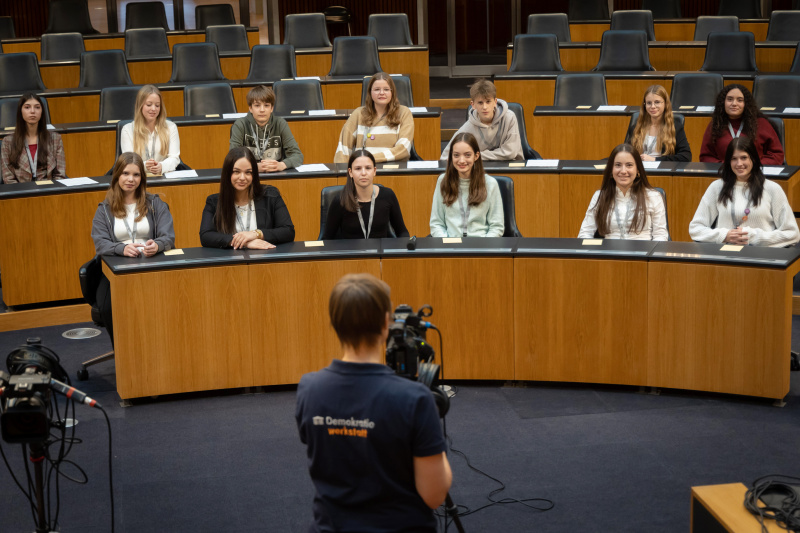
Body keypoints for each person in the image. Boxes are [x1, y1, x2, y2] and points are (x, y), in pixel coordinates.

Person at [295, 273, 452, 532]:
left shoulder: (309, 388)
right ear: (384, 325)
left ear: (335, 324)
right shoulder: (415, 400)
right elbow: (434, 496)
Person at [90, 152, 176, 342]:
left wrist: (158, 245)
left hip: (151, 265)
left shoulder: (155, 203)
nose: (131, 179)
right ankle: (122, 352)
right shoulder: (104, 209)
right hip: (116, 270)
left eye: (136, 174)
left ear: (142, 178)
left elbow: (168, 237)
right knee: (107, 307)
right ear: (117, 176)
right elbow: (100, 242)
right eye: (125, 173)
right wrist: (121, 249)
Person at [689, 136, 799, 247]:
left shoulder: (772, 189)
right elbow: (695, 229)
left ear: (753, 159)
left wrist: (754, 237)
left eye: (744, 158)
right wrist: (723, 235)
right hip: (725, 255)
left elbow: (792, 234)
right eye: (734, 159)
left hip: (761, 257)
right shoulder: (717, 187)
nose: (739, 164)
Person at [200, 147, 295, 249]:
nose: (242, 178)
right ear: (227, 174)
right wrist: (244, 243)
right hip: (231, 261)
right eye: (236, 171)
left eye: (248, 172)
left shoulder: (271, 196)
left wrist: (256, 234)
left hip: (264, 259)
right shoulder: (214, 202)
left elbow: (288, 231)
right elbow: (206, 236)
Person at [578, 144, 669, 240]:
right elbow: (584, 234)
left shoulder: (654, 196)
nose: (623, 171)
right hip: (609, 253)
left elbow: (661, 236)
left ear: (638, 169)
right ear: (611, 170)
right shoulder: (599, 196)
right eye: (618, 165)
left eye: (629, 165)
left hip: (643, 253)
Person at [322, 149, 409, 240]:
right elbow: (327, 238)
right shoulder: (340, 200)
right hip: (351, 253)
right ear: (350, 172)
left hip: (380, 253)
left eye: (368, 168)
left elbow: (402, 232)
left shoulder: (388, 195)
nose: (363, 173)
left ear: (374, 171)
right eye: (358, 168)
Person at [430, 132, 504, 238]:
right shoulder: (443, 180)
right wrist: (447, 245)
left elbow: (496, 227)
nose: (461, 160)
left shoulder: (490, 184)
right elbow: (437, 224)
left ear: (476, 156)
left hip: (481, 247)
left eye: (467, 155)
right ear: (451, 156)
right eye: (456, 155)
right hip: (451, 247)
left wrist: (483, 249)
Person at [334, 72, 414, 163]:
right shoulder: (358, 114)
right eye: (377, 89)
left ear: (392, 92)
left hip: (393, 170)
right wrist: (343, 173)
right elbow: (342, 149)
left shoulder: (403, 113)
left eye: (386, 89)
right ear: (370, 92)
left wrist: (368, 159)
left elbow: (403, 149)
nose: (381, 93)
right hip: (363, 170)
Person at [699, 84, 784, 165]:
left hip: (756, 175)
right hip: (724, 175)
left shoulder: (761, 124)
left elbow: (776, 155)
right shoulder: (715, 125)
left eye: (740, 100)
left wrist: (754, 166)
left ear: (746, 104)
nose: (734, 104)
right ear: (723, 102)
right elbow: (706, 156)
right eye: (729, 99)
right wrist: (726, 167)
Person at [440, 78, 523, 161]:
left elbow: (510, 152)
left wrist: (475, 156)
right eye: (480, 103)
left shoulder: (509, 117)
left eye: (488, 101)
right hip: (481, 169)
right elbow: (445, 157)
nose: (484, 107)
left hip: (511, 166)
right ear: (473, 105)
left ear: (495, 102)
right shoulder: (467, 128)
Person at [229, 85, 303, 173]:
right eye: (257, 105)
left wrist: (282, 165)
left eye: (266, 105)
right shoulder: (240, 125)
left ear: (271, 108)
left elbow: (297, 155)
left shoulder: (280, 123)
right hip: (249, 175)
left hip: (276, 176)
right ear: (250, 108)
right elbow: (233, 158)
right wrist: (253, 167)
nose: (262, 110)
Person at [1, 93, 65, 183]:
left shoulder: (55, 139)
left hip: (48, 191)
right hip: (20, 192)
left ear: (42, 111)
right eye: (27, 107)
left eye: (37, 107)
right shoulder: (7, 142)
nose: (32, 111)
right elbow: (8, 178)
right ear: (20, 111)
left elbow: (60, 175)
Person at [120, 85, 180, 176]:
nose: (153, 109)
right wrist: (144, 166)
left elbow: (174, 158)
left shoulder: (171, 127)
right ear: (140, 106)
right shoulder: (127, 130)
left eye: (157, 105)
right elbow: (128, 161)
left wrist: (161, 166)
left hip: (163, 176)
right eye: (149, 105)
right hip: (138, 178)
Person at [624, 85, 691, 162]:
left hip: (662, 171)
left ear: (665, 104)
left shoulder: (675, 127)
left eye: (657, 102)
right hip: (639, 170)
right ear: (644, 105)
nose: (653, 106)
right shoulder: (636, 127)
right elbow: (625, 153)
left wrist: (655, 159)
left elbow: (686, 156)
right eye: (649, 103)